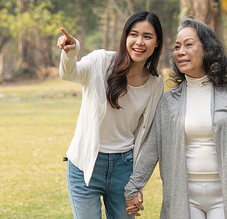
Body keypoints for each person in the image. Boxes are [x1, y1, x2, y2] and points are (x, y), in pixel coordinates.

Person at [124, 17, 227, 219]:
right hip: (183, 196)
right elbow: (154, 144)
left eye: (189, 45)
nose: (180, 51)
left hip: (225, 195)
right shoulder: (169, 100)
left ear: (208, 49)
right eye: (177, 47)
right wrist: (134, 185)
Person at [57, 11, 164, 219]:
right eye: (134, 34)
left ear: (157, 42)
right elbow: (69, 73)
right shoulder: (101, 61)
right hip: (85, 165)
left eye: (147, 36)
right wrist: (72, 51)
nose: (139, 42)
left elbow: (148, 136)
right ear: (125, 37)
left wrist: (136, 184)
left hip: (124, 168)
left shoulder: (155, 83)